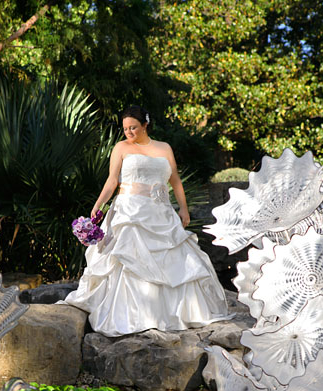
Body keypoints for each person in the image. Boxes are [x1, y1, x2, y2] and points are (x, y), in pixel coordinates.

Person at [62, 105, 231, 337]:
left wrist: (183, 209)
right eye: (125, 129)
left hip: (160, 212)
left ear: (145, 125)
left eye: (133, 127)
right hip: (129, 211)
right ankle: (132, 314)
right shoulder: (121, 147)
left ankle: (172, 313)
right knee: (127, 259)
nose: (128, 132)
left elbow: (175, 181)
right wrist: (98, 204)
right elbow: (112, 181)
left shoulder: (164, 148)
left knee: (174, 259)